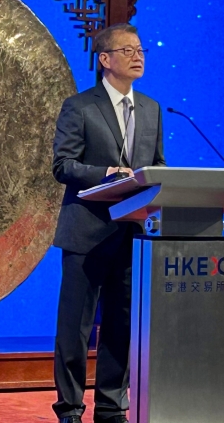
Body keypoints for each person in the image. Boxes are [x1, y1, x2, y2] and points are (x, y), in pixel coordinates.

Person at [51, 23, 165, 423]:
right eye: (128, 50)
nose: (138, 56)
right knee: (76, 328)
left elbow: (157, 166)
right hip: (86, 231)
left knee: (121, 323)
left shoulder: (151, 109)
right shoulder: (80, 106)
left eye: (141, 50)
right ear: (104, 59)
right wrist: (108, 174)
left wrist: (156, 189)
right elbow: (63, 165)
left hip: (131, 232)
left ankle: (112, 405)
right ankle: (70, 408)